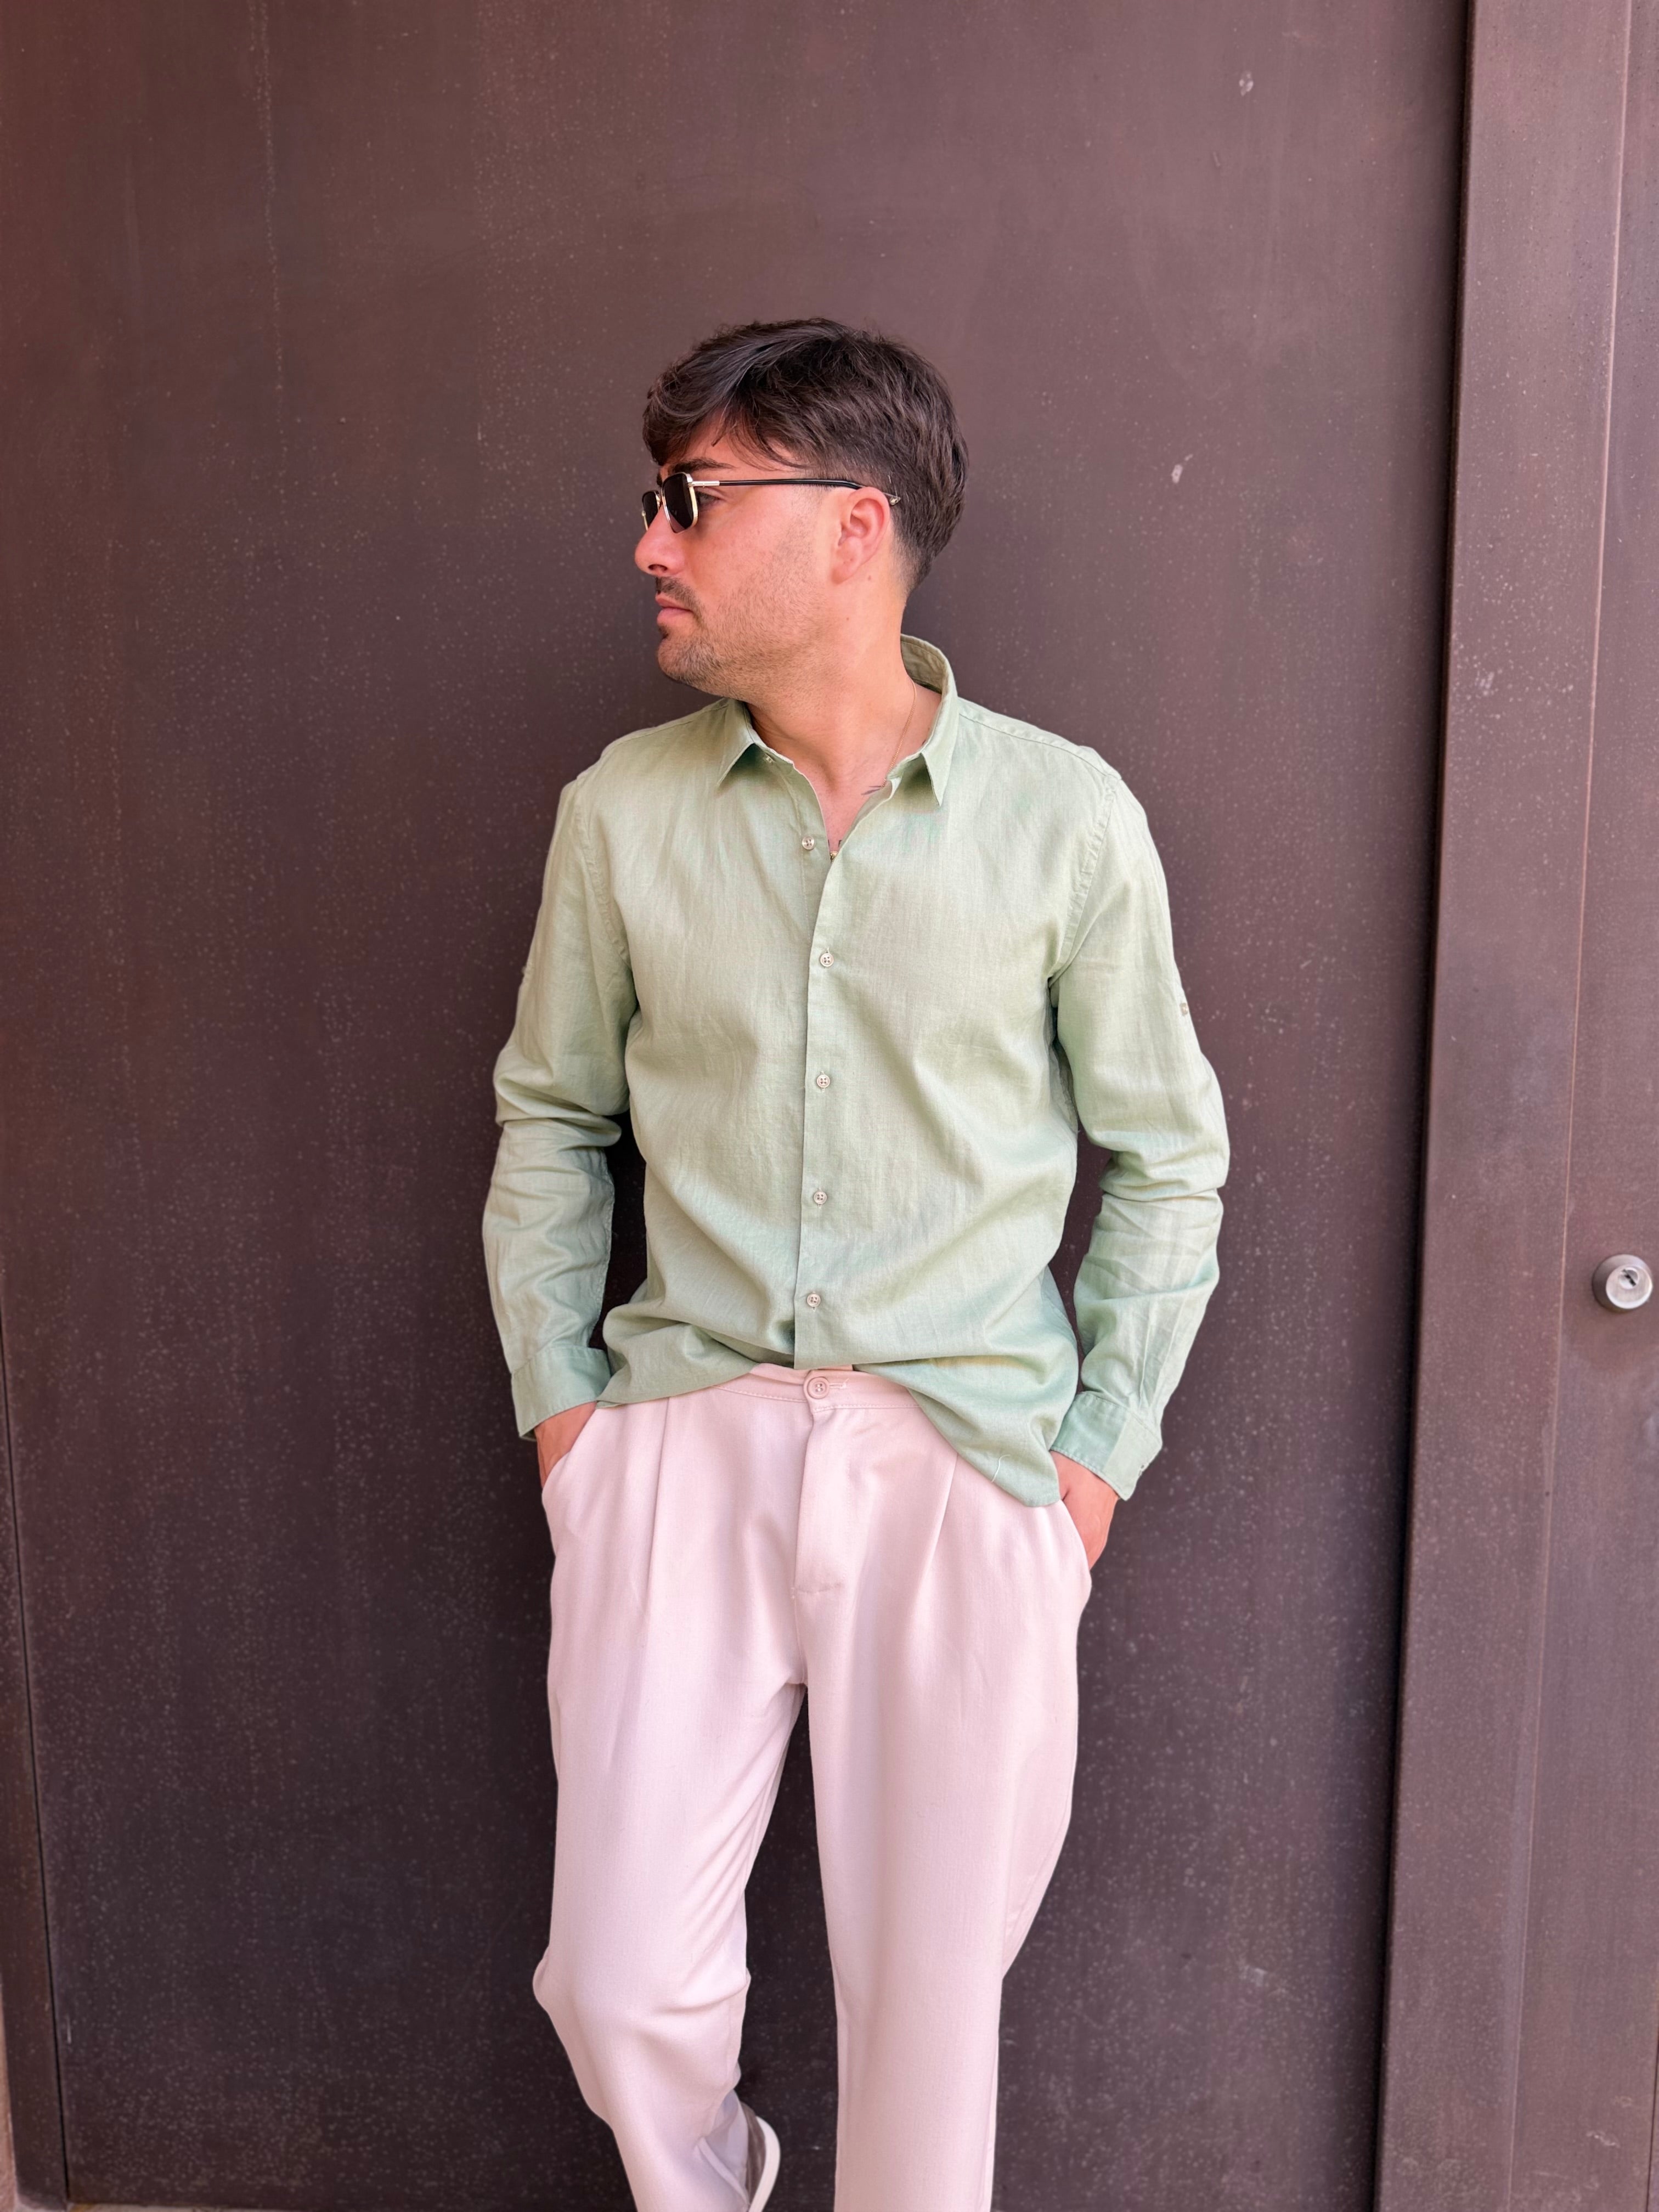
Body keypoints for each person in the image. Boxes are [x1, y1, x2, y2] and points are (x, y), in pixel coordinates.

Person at [481, 318, 1228, 2212]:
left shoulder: (1064, 821)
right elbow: (552, 1122)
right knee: (615, 1987)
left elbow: (1170, 1157)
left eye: (693, 498)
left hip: (965, 1462)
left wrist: (1085, 1476)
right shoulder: (621, 814)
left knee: (927, 2030)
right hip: (679, 1441)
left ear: (853, 526)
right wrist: (571, 1426)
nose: (650, 542)